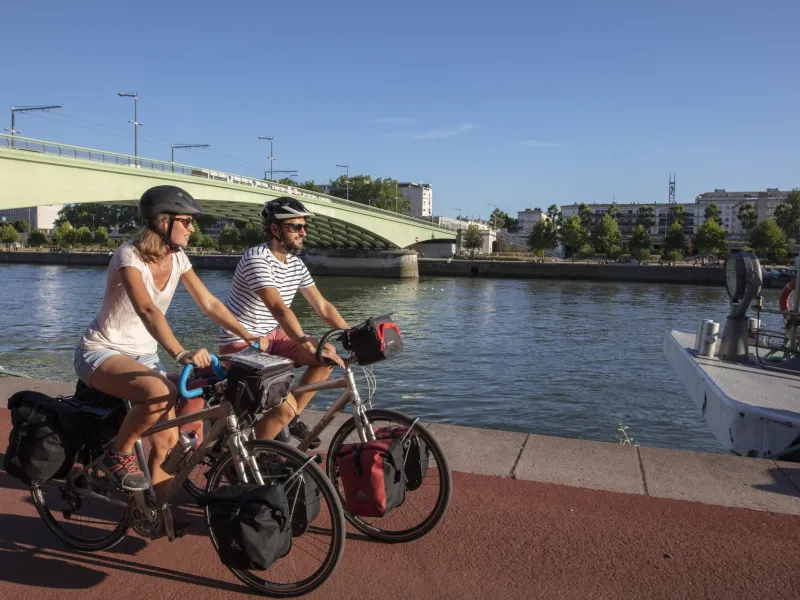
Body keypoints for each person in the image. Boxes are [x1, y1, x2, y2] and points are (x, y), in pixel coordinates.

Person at [74, 185, 263, 496]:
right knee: (161, 393)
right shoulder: (128, 255)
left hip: (143, 357)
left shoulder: (178, 259)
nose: (192, 229)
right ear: (163, 222)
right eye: (186, 221)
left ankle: (158, 513)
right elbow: (147, 308)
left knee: (168, 443)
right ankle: (116, 454)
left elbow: (210, 304)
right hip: (102, 351)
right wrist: (179, 352)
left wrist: (248, 336)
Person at [218, 197, 350, 448]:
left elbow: (322, 306)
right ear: (274, 229)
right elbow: (277, 307)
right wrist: (304, 341)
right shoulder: (257, 258)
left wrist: (351, 334)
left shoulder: (296, 264)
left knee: (327, 354)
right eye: (295, 227)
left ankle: (288, 419)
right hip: (242, 342)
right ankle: (245, 455)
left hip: (273, 336)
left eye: (304, 227)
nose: (303, 232)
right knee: (286, 399)